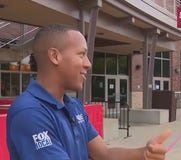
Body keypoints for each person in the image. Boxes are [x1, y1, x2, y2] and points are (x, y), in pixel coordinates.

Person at [6, 23, 171, 160]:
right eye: (81, 55)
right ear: (55, 56)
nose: (88, 64)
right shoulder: (29, 112)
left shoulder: (74, 105)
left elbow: (104, 154)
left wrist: (144, 153)